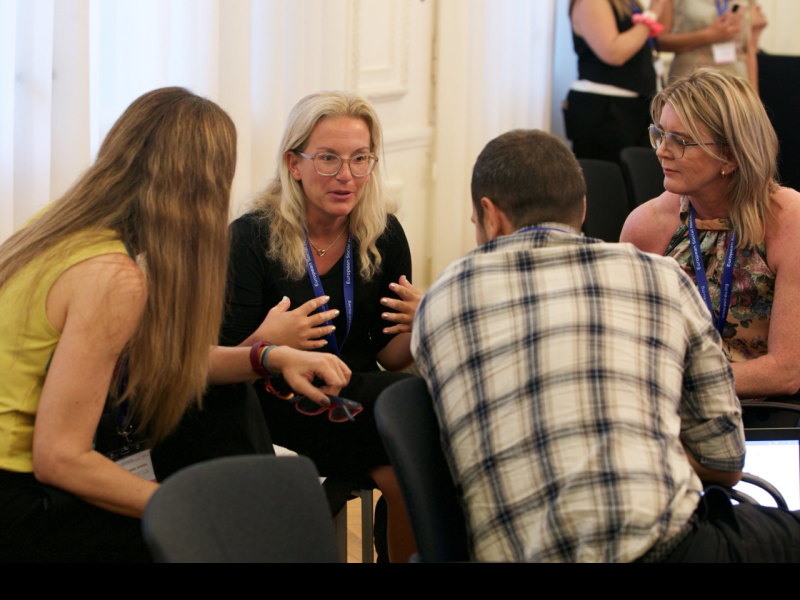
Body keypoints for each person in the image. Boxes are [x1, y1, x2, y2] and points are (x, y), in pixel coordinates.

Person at [411, 128, 800, 562]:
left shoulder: (439, 302)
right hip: (667, 547)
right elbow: (726, 463)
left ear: (490, 214)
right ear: (581, 208)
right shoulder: (659, 276)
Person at [0, 87, 350, 563]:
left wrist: (268, 356)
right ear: (199, 190)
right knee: (226, 537)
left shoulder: (63, 230)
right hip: (20, 500)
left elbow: (159, 361)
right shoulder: (111, 278)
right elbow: (59, 458)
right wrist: (182, 506)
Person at [217, 90, 420, 563]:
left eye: (360, 159)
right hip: (277, 400)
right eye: (328, 159)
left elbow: (392, 356)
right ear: (294, 163)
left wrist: (421, 322)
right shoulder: (249, 239)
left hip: (357, 393)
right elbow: (219, 369)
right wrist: (269, 340)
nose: (346, 176)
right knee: (414, 428)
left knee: (408, 463)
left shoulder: (384, 234)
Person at [620, 68, 800, 401]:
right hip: (670, 416)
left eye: (681, 141)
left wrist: (679, 383)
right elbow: (626, 350)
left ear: (730, 156)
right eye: (660, 134)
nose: (661, 151)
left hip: (764, 417)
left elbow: (786, 370)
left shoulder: (789, 221)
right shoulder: (648, 226)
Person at [563, 0, 668, 163]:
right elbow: (613, 53)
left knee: (635, 181)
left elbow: (663, 33)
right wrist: (651, 14)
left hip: (635, 106)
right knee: (606, 182)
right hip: (604, 109)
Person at [659, 0, 768, 93]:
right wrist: (709, 35)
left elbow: (747, 49)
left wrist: (754, 95)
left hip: (735, 81)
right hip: (692, 82)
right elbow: (659, 40)